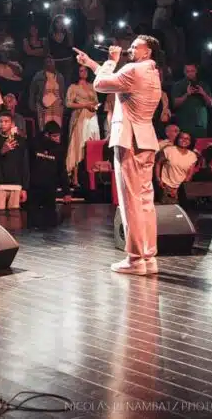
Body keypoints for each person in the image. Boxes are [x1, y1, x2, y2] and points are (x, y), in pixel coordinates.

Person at [74, 35, 163, 275]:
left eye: (136, 47)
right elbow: (112, 80)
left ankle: (135, 259)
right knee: (145, 201)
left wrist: (112, 60)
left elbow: (100, 86)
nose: (130, 50)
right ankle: (148, 256)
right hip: (146, 139)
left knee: (130, 202)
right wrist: (93, 63)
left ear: (148, 52)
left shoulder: (134, 70)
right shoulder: (152, 72)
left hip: (130, 140)